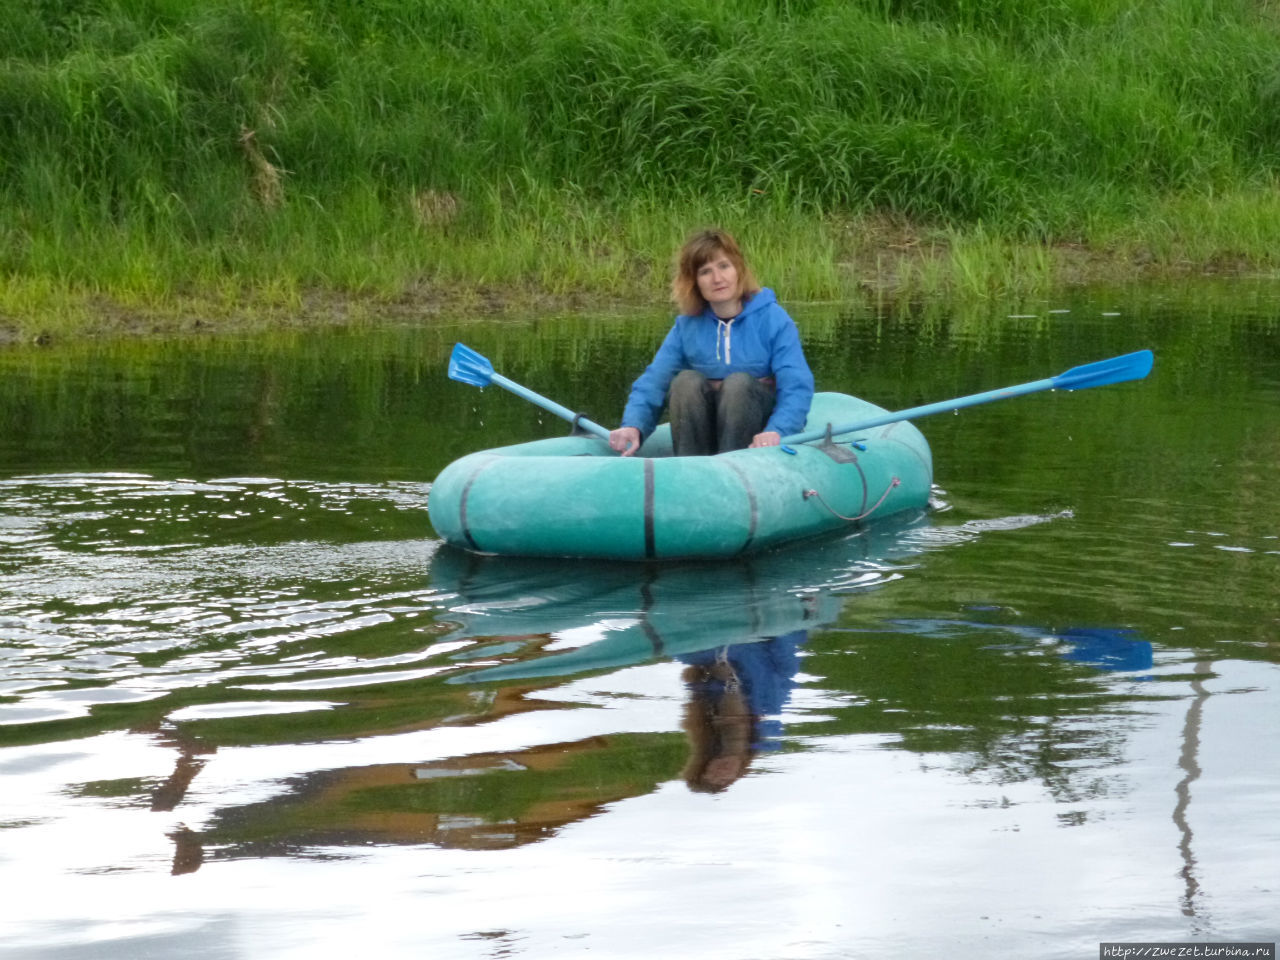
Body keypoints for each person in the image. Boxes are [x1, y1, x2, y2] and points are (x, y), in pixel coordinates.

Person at [608, 229, 815, 457]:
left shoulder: (773, 319)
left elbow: (796, 385)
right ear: (694, 282)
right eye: (705, 272)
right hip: (703, 431)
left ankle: (735, 469)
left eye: (724, 266)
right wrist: (633, 424)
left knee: (738, 384)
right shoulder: (686, 326)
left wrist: (778, 430)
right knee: (685, 382)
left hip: (755, 431)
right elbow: (654, 380)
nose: (717, 279)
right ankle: (690, 468)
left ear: (738, 270)